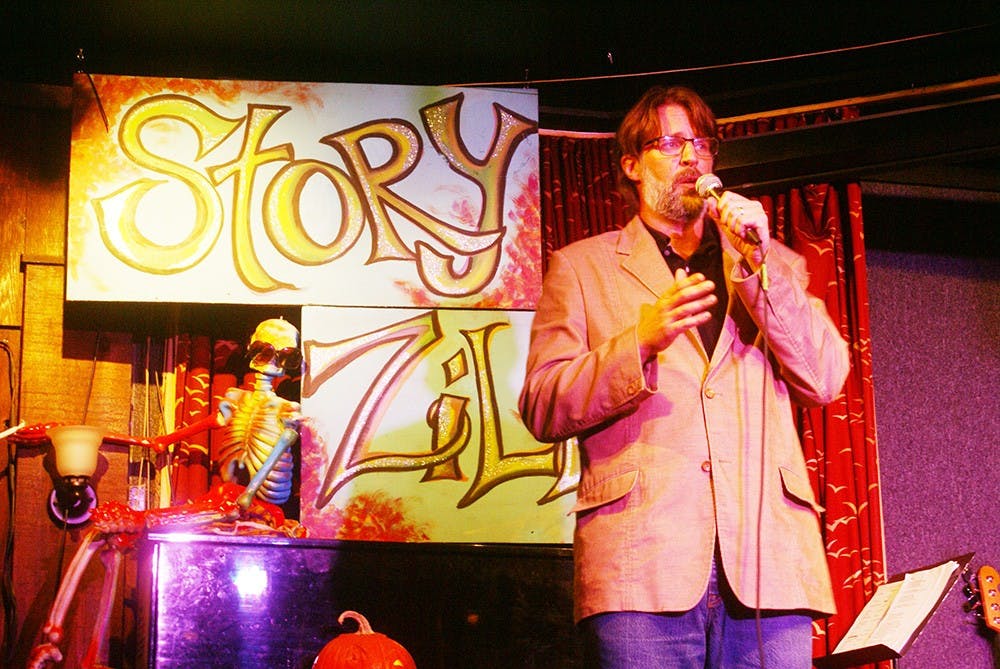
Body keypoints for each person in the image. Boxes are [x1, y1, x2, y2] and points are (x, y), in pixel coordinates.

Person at [518, 85, 850, 668]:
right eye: (670, 143)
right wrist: (638, 341)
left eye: (700, 143)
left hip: (767, 568)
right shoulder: (582, 267)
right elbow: (543, 405)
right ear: (631, 164)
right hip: (641, 570)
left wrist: (758, 267)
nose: (691, 157)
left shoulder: (770, 264)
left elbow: (824, 379)